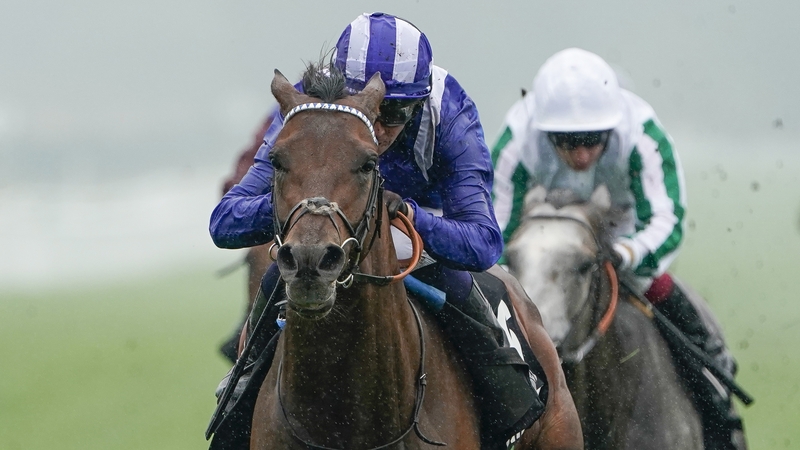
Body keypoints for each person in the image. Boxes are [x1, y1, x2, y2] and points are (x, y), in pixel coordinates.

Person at [209, 12, 545, 445]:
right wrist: (301, 214)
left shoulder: (451, 108)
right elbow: (226, 222)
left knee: (469, 290)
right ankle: (238, 399)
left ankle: (515, 414)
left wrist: (407, 214)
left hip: (417, 230)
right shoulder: (311, 103)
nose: (379, 127)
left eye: (396, 112)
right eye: (367, 104)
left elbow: (483, 243)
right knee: (275, 277)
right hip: (327, 229)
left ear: (420, 103)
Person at [491, 47, 745, 448]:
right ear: (543, 132)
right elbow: (493, 226)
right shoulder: (517, 139)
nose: (581, 153)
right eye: (567, 141)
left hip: (622, 225)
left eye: (593, 139)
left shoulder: (643, 135)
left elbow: (667, 219)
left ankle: (713, 389)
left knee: (653, 284)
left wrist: (627, 253)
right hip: (548, 225)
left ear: (612, 128)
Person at [216, 112, 277, 364]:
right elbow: (238, 182)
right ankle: (251, 345)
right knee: (262, 254)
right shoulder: (282, 114)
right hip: (283, 227)